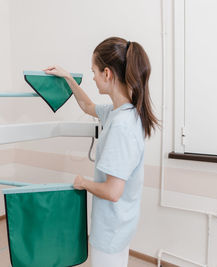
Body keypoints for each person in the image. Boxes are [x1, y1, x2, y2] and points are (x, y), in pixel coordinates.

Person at [44, 37, 159, 267]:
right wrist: (68, 78)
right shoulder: (121, 112)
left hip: (111, 229)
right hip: (120, 224)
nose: (93, 77)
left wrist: (82, 183)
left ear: (107, 73)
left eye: (94, 72)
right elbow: (87, 106)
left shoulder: (122, 125)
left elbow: (113, 191)